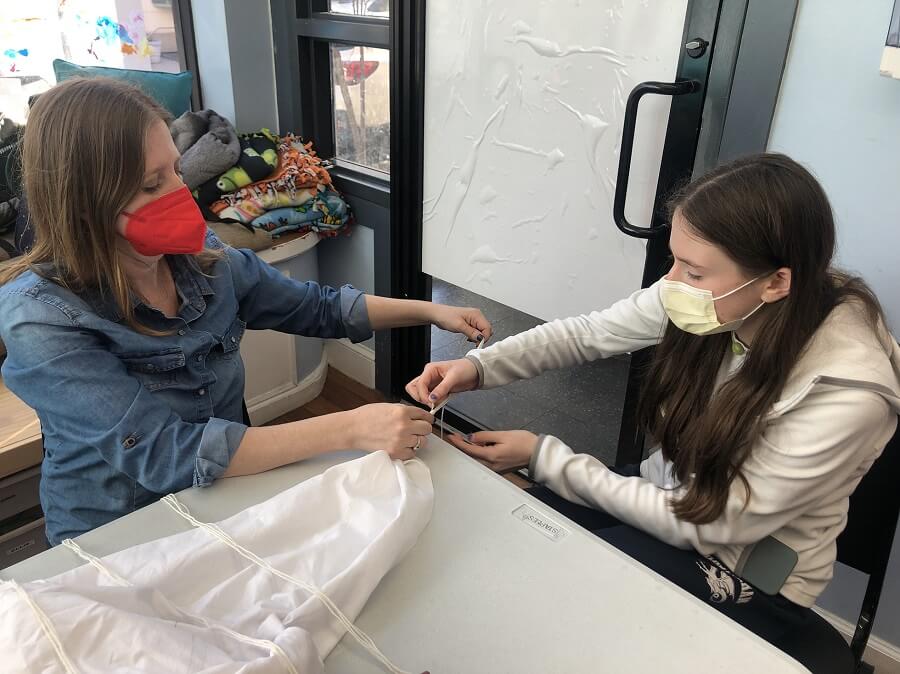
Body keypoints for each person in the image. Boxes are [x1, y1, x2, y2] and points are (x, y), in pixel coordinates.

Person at [407, 153, 900, 671]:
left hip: (741, 566)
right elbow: (588, 333)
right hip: (665, 497)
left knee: (556, 614)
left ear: (777, 282)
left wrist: (543, 458)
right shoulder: (719, 298)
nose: (671, 283)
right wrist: (478, 367)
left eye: (692, 270)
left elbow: (710, 524)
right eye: (674, 261)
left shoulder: (848, 394)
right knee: (514, 549)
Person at [0, 77, 492, 546]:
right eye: (152, 184)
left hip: (220, 501)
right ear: (86, 206)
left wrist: (430, 311)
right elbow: (166, 452)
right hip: (117, 533)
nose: (180, 191)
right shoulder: (40, 318)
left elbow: (315, 308)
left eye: (175, 168)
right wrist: (350, 426)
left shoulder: (204, 262)